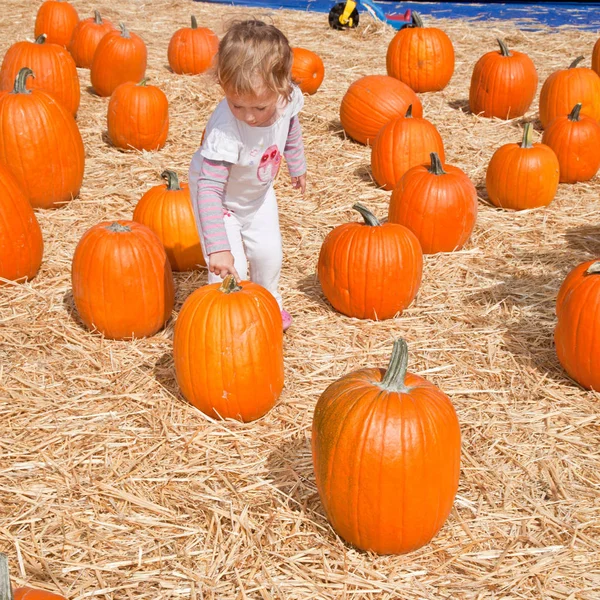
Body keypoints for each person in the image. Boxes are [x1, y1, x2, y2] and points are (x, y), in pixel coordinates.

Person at [189, 19, 307, 332]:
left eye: (259, 106)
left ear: (281, 89)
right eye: (237, 104)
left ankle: (269, 302)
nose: (249, 116)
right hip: (220, 201)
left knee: (270, 256)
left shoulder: (286, 98)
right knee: (231, 268)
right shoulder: (227, 130)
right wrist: (218, 247)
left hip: (257, 194)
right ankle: (225, 322)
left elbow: (290, 128)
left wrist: (297, 164)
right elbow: (209, 190)